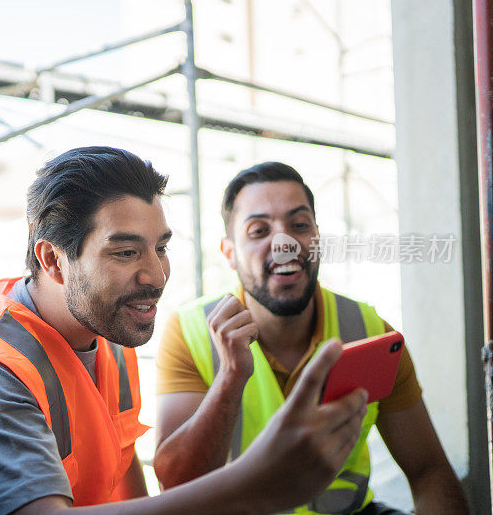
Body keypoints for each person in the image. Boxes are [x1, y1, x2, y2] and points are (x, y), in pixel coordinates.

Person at [0, 147, 370, 515]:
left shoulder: (110, 331)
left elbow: (132, 494)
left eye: (161, 248)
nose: (156, 275)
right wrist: (252, 484)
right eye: (126, 253)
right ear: (52, 260)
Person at [153, 161, 468, 514]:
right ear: (230, 254)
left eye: (299, 225)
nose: (284, 243)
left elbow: (429, 472)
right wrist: (229, 378)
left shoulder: (371, 331)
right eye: (259, 231)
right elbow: (175, 487)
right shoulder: (190, 332)